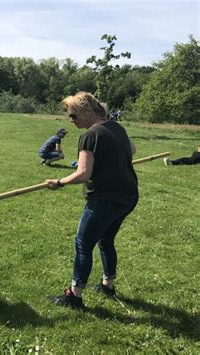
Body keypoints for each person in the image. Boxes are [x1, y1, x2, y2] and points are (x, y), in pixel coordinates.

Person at [45, 92, 138, 309]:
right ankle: (108, 285)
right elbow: (132, 150)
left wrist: (59, 182)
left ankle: (74, 296)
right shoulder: (117, 127)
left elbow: (83, 174)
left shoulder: (90, 135)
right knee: (106, 240)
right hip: (128, 196)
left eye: (73, 116)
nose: (71, 120)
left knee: (83, 244)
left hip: (105, 200)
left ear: (87, 112)